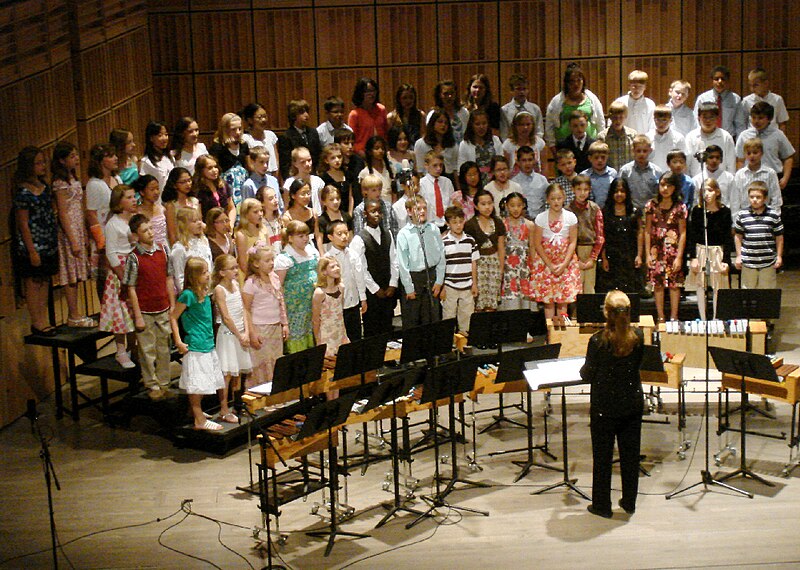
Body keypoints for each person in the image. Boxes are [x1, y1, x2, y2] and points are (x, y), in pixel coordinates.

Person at [581, 290, 645, 519]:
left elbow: (587, 374)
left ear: (606, 312)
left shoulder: (597, 341)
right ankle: (629, 502)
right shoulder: (638, 336)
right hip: (632, 403)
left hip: (604, 406)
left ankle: (602, 506)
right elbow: (636, 364)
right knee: (630, 455)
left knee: (603, 457)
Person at [170, 257, 228, 431]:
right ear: (194, 275)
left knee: (205, 380)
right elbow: (173, 317)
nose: (207, 275)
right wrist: (178, 341)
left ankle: (196, 411)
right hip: (195, 344)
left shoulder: (204, 291)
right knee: (196, 383)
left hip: (207, 342)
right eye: (203, 273)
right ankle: (199, 419)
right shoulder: (188, 295)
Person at [123, 214, 174, 400]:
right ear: (136, 235)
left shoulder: (163, 250)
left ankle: (164, 383)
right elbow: (131, 287)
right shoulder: (134, 258)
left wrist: (172, 306)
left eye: (151, 228)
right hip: (145, 310)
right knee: (147, 350)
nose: (150, 233)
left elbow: (169, 279)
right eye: (145, 230)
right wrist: (137, 316)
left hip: (163, 308)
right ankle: (152, 384)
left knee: (163, 348)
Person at [12, 147, 59, 336]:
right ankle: (37, 322)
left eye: (43, 162)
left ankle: (44, 318)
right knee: (33, 283)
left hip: (48, 241)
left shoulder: (44, 187)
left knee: (45, 280)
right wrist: (32, 250)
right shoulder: (23, 192)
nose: (42, 166)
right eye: (38, 163)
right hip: (33, 244)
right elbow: (22, 224)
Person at [51, 142, 94, 327]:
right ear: (61, 160)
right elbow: (62, 212)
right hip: (68, 231)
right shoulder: (59, 183)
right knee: (70, 272)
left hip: (78, 228)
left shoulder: (73, 178)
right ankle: (73, 315)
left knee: (78, 272)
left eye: (76, 155)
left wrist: (83, 233)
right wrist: (73, 239)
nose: (76, 159)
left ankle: (77, 312)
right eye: (71, 156)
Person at [100, 184, 138, 368]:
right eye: (129, 197)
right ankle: (120, 351)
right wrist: (122, 275)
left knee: (132, 311)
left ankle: (133, 348)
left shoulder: (132, 221)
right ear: (119, 202)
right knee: (120, 312)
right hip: (120, 272)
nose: (134, 200)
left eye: (133, 196)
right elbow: (111, 253)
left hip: (134, 267)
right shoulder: (113, 224)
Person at [350, 198, 399, 337]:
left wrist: (393, 284)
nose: (377, 214)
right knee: (373, 329)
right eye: (373, 211)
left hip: (388, 289)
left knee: (388, 327)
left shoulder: (387, 233)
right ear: (365, 214)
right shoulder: (359, 239)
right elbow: (360, 269)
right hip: (372, 293)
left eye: (379, 211)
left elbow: (394, 260)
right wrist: (375, 289)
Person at [685, 179, 733, 320]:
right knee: (701, 285)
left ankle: (717, 318)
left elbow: (727, 238)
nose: (707, 194)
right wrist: (693, 257)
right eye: (704, 190)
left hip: (717, 251)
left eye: (710, 190)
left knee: (718, 285)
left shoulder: (725, 211)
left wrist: (726, 260)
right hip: (701, 250)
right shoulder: (698, 211)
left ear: (717, 192)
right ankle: (703, 318)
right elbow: (692, 236)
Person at [531, 183, 580, 319]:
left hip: (566, 263)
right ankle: (550, 333)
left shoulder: (571, 217)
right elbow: (537, 243)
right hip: (546, 264)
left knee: (563, 300)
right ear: (547, 200)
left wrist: (564, 264)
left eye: (559, 198)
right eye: (553, 199)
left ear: (564, 198)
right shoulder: (540, 218)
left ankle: (562, 334)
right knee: (549, 301)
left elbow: (572, 242)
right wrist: (550, 265)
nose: (556, 202)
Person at [212, 254, 252, 418]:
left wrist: (247, 332)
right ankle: (223, 409)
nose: (236, 270)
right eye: (232, 268)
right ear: (222, 272)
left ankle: (237, 404)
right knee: (227, 373)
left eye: (237, 267)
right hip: (229, 335)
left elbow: (243, 309)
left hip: (241, 333)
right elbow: (226, 316)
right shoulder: (219, 290)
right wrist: (238, 334)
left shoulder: (236, 284)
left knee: (239, 372)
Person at [396, 195, 445, 327]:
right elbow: (402, 264)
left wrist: (439, 281)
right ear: (409, 211)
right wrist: (409, 287)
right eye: (418, 209)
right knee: (413, 321)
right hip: (414, 280)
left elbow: (441, 256)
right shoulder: (404, 234)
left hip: (431, 277)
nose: (422, 211)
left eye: (424, 208)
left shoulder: (433, 229)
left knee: (432, 319)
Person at [644, 173, 688, 322]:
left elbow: (683, 232)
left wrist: (679, 257)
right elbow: (647, 231)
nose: (665, 188)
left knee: (674, 285)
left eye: (669, 185)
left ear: (674, 188)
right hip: (656, 250)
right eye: (662, 184)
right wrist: (648, 254)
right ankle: (661, 317)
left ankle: (674, 317)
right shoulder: (651, 205)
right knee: (658, 285)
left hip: (673, 251)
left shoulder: (680, 207)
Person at [242, 246, 288, 387]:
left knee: (275, 362)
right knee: (262, 364)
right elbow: (246, 309)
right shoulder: (251, 283)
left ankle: (275, 396)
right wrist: (252, 333)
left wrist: (284, 324)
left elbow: (281, 301)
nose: (271, 263)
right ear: (256, 264)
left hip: (275, 327)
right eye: (267, 260)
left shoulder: (274, 278)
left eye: (272, 259)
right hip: (260, 328)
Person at [275, 220, 319, 353]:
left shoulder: (311, 251)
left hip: (311, 303)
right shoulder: (284, 259)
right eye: (301, 236)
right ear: (290, 238)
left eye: (306, 235)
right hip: (294, 306)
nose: (305, 239)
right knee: (297, 334)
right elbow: (278, 286)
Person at [544, 63, 605, 157]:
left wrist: (599, 144)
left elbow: (600, 123)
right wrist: (554, 150)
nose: (576, 84)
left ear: (583, 81)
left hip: (590, 148)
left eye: (579, 80)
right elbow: (549, 127)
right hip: (565, 149)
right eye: (572, 81)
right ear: (566, 83)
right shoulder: (557, 101)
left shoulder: (592, 98)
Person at [733, 181, 783, 289]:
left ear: (765, 198)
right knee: (748, 293)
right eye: (752, 197)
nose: (754, 200)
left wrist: (779, 256)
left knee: (766, 293)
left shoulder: (773, 215)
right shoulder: (742, 215)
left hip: (768, 261)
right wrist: (739, 255)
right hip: (748, 261)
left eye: (758, 197)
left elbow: (779, 237)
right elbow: (738, 236)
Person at [735, 102, 794, 190]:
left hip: (773, 178)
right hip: (750, 178)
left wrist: (785, 178)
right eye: (754, 117)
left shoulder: (778, 134)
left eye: (760, 118)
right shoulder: (744, 135)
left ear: (769, 119)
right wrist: (740, 178)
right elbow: (740, 160)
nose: (756, 121)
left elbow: (788, 157)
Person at [598, 178, 643, 294]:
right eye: (616, 191)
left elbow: (640, 233)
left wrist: (639, 255)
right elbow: (602, 235)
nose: (619, 194)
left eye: (622, 191)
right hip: (611, 257)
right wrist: (603, 258)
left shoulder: (635, 211)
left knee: (631, 289)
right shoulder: (605, 211)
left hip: (630, 255)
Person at [325, 220, 367, 342]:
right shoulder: (328, 258)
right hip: (338, 307)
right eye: (339, 234)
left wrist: (363, 298)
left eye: (346, 233)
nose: (344, 237)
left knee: (356, 337)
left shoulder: (353, 254)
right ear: (330, 237)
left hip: (353, 303)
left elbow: (359, 278)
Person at [464, 190, 506, 312]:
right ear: (476, 206)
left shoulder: (498, 222)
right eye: (483, 204)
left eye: (489, 203)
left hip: (494, 264)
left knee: (492, 303)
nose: (487, 207)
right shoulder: (470, 225)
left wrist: (501, 269)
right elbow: (469, 251)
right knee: (478, 302)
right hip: (478, 265)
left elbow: (501, 247)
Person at [441, 206, 478, 334]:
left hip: (467, 284)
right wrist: (442, 286)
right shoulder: (444, 242)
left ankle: (464, 343)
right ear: (448, 223)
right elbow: (442, 266)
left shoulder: (470, 241)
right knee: (449, 315)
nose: (458, 225)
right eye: (454, 222)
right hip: (450, 284)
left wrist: (474, 284)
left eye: (460, 222)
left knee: (467, 315)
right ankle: (448, 344)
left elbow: (473, 263)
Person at [566, 175, 604, 295]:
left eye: (585, 190)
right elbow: (565, 236)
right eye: (579, 189)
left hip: (590, 250)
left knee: (589, 287)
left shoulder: (594, 208)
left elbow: (600, 235)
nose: (582, 193)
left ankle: (588, 313)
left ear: (590, 190)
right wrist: (574, 257)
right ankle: (575, 314)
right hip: (573, 251)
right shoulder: (568, 210)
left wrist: (593, 258)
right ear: (573, 189)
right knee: (575, 287)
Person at [312, 256, 350, 369]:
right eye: (332, 267)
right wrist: (318, 341)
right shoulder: (319, 293)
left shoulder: (341, 288)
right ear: (324, 271)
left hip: (341, 333)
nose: (337, 268)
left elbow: (340, 310)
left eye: (337, 265)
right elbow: (315, 319)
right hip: (326, 336)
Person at [730, 138, 782, 216]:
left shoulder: (770, 173)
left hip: (766, 216)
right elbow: (735, 201)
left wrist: (773, 217)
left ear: (761, 153)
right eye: (748, 153)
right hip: (745, 217)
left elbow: (776, 198)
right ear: (744, 154)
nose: (752, 156)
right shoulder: (739, 175)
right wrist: (736, 221)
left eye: (755, 152)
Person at [500, 193, 535, 310]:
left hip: (524, 268)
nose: (515, 209)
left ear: (523, 205)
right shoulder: (502, 224)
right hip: (508, 269)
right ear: (506, 206)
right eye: (512, 205)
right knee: (511, 304)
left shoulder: (529, 225)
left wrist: (534, 269)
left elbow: (533, 248)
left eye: (519, 205)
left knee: (525, 304)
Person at [693, 65, 747, 140]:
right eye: (716, 79)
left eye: (723, 79)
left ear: (728, 81)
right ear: (711, 81)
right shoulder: (703, 98)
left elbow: (740, 125)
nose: (720, 81)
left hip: (729, 139)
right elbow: (696, 121)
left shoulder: (735, 99)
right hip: (707, 137)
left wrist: (739, 144)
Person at [685, 102, 736, 176]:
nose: (708, 121)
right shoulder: (691, 137)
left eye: (711, 117)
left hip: (720, 183)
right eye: (705, 117)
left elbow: (731, 166)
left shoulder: (726, 137)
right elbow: (687, 164)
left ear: (717, 118)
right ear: (699, 118)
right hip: (697, 183)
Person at [210, 113, 250, 208]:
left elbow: (249, 166)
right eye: (233, 129)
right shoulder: (218, 147)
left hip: (242, 186)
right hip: (226, 189)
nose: (238, 132)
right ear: (225, 129)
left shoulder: (244, 145)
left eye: (240, 128)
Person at [170, 207, 213, 292]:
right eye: (194, 221)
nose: (199, 223)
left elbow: (210, 264)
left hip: (209, 291)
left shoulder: (204, 241)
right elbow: (179, 277)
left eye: (200, 220)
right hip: (193, 294)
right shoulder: (180, 248)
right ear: (184, 224)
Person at [278, 100, 323, 179]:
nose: (306, 115)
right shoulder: (286, 136)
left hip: (313, 175)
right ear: (293, 115)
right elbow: (285, 163)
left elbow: (318, 155)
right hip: (296, 176)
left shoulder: (313, 132)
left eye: (307, 112)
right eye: (302, 112)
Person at [458, 109, 503, 184]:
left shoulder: (496, 140)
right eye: (477, 124)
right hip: (474, 183)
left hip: (495, 183)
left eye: (484, 123)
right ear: (471, 125)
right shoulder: (465, 144)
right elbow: (461, 170)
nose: (481, 127)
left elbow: (501, 163)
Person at [618, 134, 662, 210]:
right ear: (633, 151)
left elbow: (659, 195)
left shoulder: (657, 172)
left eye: (645, 151)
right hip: (630, 211)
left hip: (651, 212)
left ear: (650, 151)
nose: (641, 154)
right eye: (638, 151)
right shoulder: (625, 171)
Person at [194, 154, 235, 231]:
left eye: (215, 167)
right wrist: (212, 231)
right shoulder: (197, 190)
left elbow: (231, 208)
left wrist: (230, 225)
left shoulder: (223, 185)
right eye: (210, 168)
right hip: (209, 231)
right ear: (201, 170)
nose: (214, 170)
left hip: (226, 229)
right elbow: (198, 218)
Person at [348, 77, 388, 156]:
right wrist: (361, 153)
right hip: (362, 154)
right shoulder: (354, 114)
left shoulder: (381, 109)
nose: (371, 94)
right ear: (360, 93)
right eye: (367, 91)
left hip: (381, 152)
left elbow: (386, 132)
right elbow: (352, 140)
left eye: (373, 90)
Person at [415, 108, 459, 178]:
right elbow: (420, 171)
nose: (443, 125)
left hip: (448, 180)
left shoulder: (452, 145)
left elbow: (455, 170)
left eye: (446, 123)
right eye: (440, 122)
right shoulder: (420, 144)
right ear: (432, 123)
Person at [282, 146, 326, 216]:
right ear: (295, 164)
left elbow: (322, 203)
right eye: (303, 162)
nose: (308, 164)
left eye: (309, 160)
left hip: (316, 217)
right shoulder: (289, 183)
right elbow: (287, 205)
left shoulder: (318, 181)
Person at [499, 73, 544, 141]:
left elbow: (539, 132)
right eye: (518, 89)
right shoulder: (505, 110)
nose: (522, 92)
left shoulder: (535, 109)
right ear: (511, 91)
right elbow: (504, 134)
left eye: (524, 89)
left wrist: (534, 145)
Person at [162, 167, 199, 246]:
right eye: (183, 182)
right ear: (174, 185)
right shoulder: (171, 206)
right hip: (181, 243)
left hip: (196, 241)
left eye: (189, 180)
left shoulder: (195, 201)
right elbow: (172, 233)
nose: (188, 184)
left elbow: (200, 223)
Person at [419, 150, 455, 230]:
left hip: (447, 224)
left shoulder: (447, 182)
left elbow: (451, 204)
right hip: (429, 225)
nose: (438, 168)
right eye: (435, 165)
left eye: (441, 165)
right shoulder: (421, 184)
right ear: (426, 165)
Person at [241, 102, 280, 176]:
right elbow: (249, 164)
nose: (263, 120)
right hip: (257, 177)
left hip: (273, 176)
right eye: (259, 117)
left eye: (265, 116)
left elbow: (276, 159)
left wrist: (276, 174)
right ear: (250, 120)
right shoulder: (245, 139)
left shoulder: (271, 135)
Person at [596, 101, 636, 171]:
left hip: (627, 176)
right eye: (615, 117)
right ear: (610, 117)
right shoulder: (602, 137)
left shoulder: (633, 135)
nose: (618, 121)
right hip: (610, 176)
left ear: (625, 116)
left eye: (621, 117)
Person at [613, 70, 655, 134]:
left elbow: (652, 126)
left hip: (643, 140)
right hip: (624, 140)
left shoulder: (650, 104)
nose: (637, 89)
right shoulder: (620, 102)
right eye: (634, 86)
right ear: (629, 86)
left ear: (645, 87)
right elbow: (613, 122)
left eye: (640, 86)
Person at [647, 105, 687, 173]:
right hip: (652, 177)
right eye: (658, 120)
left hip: (671, 177)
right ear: (654, 119)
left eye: (664, 120)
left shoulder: (678, 138)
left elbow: (682, 161)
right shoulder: (647, 137)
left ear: (671, 120)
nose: (661, 123)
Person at [503, 111, 545, 175]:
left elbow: (544, 167)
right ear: (515, 126)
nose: (525, 127)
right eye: (521, 125)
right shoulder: (508, 145)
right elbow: (505, 167)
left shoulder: (540, 143)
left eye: (528, 124)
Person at [235, 198, 268, 278]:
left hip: (264, 273)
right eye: (255, 212)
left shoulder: (263, 229)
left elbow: (268, 251)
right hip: (249, 276)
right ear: (246, 214)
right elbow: (242, 263)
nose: (260, 214)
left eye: (261, 211)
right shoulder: (241, 235)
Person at [513, 146, 549, 218]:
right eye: (524, 160)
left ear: (534, 161)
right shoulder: (513, 183)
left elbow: (548, 201)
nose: (527, 163)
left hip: (540, 220)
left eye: (530, 160)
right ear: (518, 162)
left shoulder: (542, 180)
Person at [319, 143, 354, 216]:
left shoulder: (347, 174)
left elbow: (351, 196)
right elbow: (322, 199)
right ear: (326, 160)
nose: (337, 160)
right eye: (333, 158)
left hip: (346, 214)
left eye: (339, 157)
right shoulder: (323, 177)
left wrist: (350, 213)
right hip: (331, 214)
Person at [431, 79, 470, 145]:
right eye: (445, 94)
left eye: (452, 93)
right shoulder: (433, 114)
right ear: (439, 95)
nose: (449, 97)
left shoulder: (464, 113)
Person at [579, 141, 616, 209]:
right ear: (590, 158)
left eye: (603, 157)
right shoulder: (584, 175)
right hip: (590, 211)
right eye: (596, 157)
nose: (600, 160)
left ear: (607, 157)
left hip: (609, 210)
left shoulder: (613, 173)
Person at [139, 121, 174, 191]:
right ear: (151, 138)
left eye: (166, 135)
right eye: (160, 135)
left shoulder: (170, 157)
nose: (164, 138)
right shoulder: (146, 162)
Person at [316, 185, 352, 253]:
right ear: (324, 202)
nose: (335, 202)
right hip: (329, 251)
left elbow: (350, 236)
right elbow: (319, 240)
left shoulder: (346, 216)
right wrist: (322, 255)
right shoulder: (322, 220)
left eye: (337, 199)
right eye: (331, 200)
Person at [134, 174, 167, 247]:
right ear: (142, 192)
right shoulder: (136, 212)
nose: (156, 192)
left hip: (164, 248)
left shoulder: (162, 209)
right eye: (152, 189)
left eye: (157, 188)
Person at [358, 135, 393, 203]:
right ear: (370, 151)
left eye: (382, 148)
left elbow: (394, 191)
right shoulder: (365, 173)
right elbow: (364, 195)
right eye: (376, 148)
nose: (380, 151)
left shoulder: (390, 169)